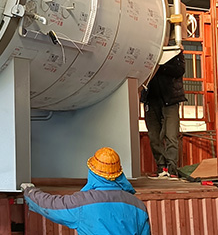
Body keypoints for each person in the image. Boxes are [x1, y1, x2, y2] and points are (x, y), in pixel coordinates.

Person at [21, 147, 151, 235]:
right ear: (119, 174)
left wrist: (30, 192)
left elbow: (50, 205)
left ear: (93, 173)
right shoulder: (137, 205)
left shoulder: (82, 202)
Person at [141, 50, 186, 179]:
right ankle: (161, 167)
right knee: (154, 136)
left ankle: (172, 169)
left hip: (171, 98)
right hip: (151, 98)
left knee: (171, 135)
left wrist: (159, 66)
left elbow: (180, 70)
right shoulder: (148, 48)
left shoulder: (175, 50)